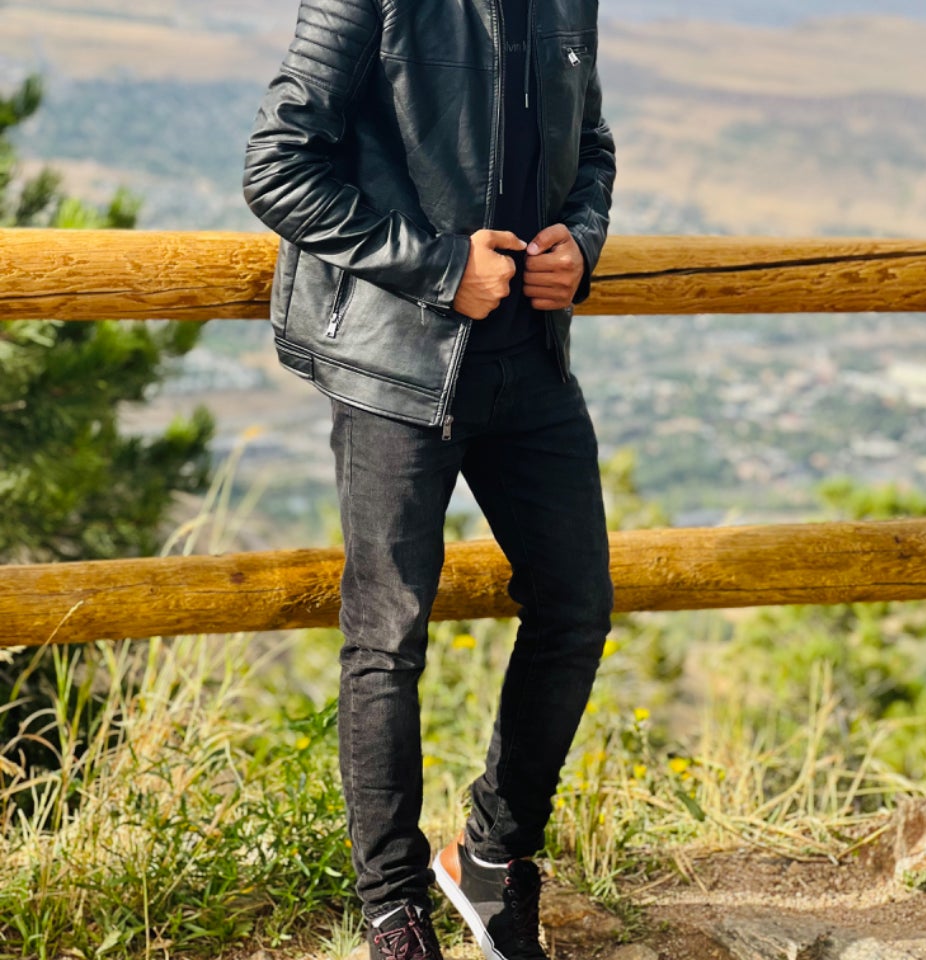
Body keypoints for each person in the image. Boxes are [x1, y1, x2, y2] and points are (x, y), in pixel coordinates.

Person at [244, 2, 615, 958]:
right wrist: (442, 268)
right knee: (387, 638)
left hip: (530, 362)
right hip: (395, 368)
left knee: (576, 608)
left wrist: (581, 238)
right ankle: (393, 908)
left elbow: (592, 145)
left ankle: (492, 857)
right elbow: (277, 167)